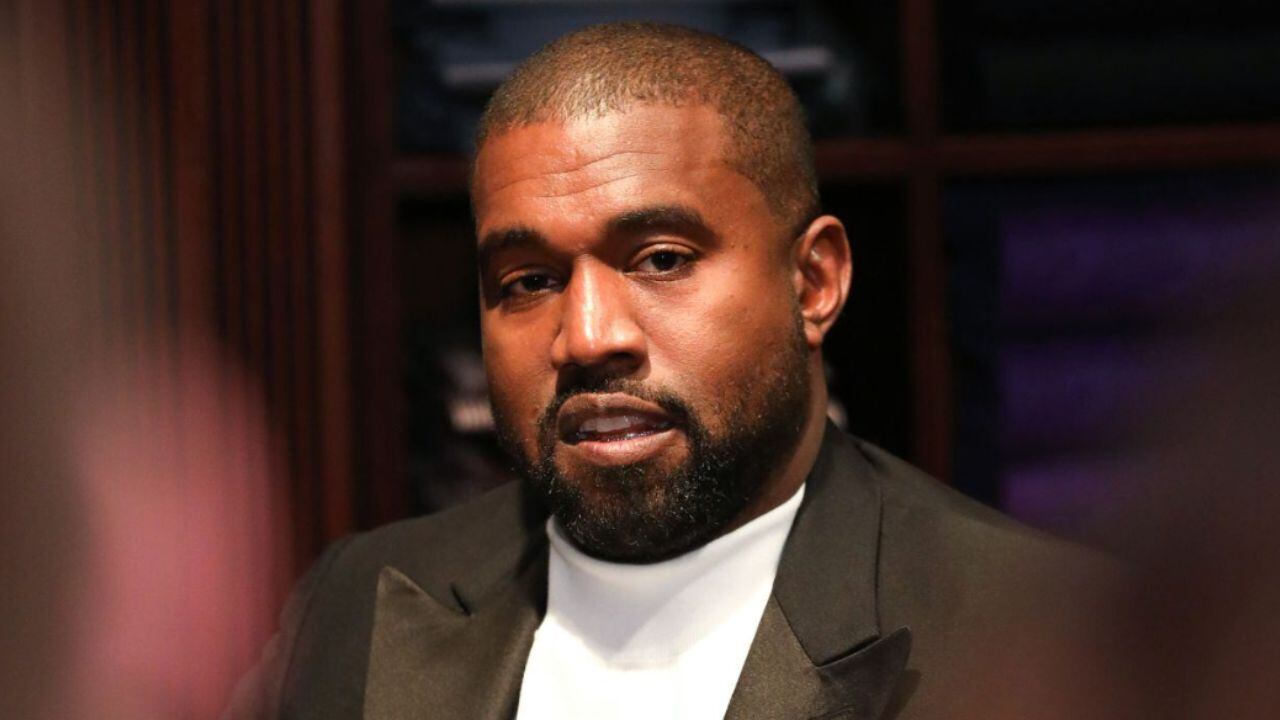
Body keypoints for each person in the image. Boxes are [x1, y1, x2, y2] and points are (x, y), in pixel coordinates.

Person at [225, 22, 1103, 720]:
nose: (587, 337)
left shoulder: (1050, 636)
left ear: (813, 282)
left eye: (660, 260)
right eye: (528, 281)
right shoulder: (356, 602)